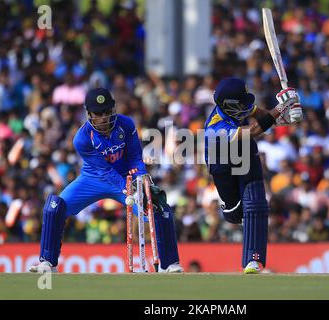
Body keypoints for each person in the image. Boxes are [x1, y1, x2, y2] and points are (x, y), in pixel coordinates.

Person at [29, 88, 183, 273]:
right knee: (55, 206)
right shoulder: (82, 138)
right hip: (93, 178)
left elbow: (135, 156)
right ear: (89, 114)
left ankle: (169, 264)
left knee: (158, 207)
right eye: (98, 114)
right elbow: (104, 170)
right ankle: (48, 262)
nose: (103, 118)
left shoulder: (126, 124)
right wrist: (129, 189)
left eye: (107, 112)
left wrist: (140, 177)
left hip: (127, 176)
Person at [204, 77, 303, 274]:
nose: (248, 106)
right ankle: (236, 214)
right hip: (222, 165)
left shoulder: (239, 106)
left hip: (245, 152)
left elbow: (264, 118)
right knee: (234, 213)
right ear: (230, 105)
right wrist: (282, 107)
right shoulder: (214, 129)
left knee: (255, 205)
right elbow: (254, 130)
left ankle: (253, 261)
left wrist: (288, 117)